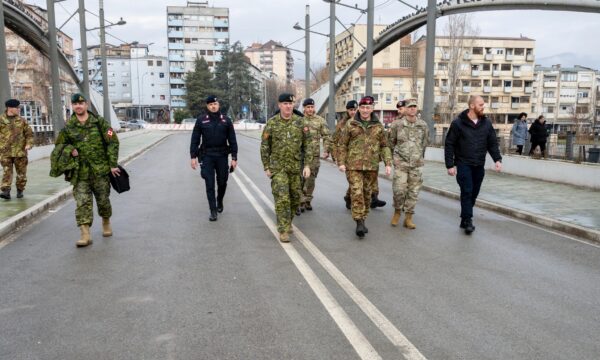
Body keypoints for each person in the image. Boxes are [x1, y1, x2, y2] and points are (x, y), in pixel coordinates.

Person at [54, 93, 120, 247]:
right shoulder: (68, 127)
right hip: (79, 173)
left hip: (100, 171)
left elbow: (113, 141)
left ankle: (106, 222)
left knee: (103, 200)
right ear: (72, 106)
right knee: (82, 203)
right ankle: (85, 234)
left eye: (81, 103)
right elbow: (59, 146)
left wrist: (112, 163)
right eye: (75, 104)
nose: (78, 106)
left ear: (87, 105)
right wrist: (70, 149)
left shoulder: (100, 123)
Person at [445, 95, 502, 235]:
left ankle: (464, 217)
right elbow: (449, 144)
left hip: (479, 165)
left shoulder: (486, 123)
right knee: (467, 191)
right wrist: (450, 165)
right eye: (481, 104)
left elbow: (492, 143)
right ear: (472, 106)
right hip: (463, 163)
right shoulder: (458, 123)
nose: (483, 107)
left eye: (483, 104)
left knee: (474, 193)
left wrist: (497, 159)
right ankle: (468, 220)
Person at [261, 93, 312, 243]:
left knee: (295, 198)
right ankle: (283, 229)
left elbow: (308, 146)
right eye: (285, 104)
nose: (288, 106)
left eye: (290, 104)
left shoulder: (301, 123)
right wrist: (266, 166)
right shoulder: (272, 123)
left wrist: (307, 165)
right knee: (282, 198)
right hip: (278, 169)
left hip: (295, 168)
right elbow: (265, 147)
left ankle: (288, 221)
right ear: (279, 105)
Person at [338, 96, 391, 238]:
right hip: (353, 166)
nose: (365, 110)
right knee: (356, 192)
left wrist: (388, 163)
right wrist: (341, 162)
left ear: (372, 108)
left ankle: (363, 217)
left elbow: (384, 146)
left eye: (368, 107)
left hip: (371, 167)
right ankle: (359, 222)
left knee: (367, 195)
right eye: (362, 107)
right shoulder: (351, 124)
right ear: (359, 109)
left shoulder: (378, 127)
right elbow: (342, 144)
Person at [190, 95, 238, 221]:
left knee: (222, 182)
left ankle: (220, 200)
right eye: (210, 104)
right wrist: (193, 156)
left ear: (218, 105)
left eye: (215, 104)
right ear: (207, 106)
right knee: (209, 183)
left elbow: (232, 140)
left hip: (222, 155)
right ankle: (213, 210)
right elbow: (195, 139)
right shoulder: (201, 120)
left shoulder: (226, 120)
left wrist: (234, 157)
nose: (213, 106)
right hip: (207, 156)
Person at [388, 99, 429, 229]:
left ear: (417, 109)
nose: (412, 109)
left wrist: (419, 157)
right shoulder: (397, 125)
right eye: (409, 107)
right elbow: (390, 143)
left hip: (416, 164)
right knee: (399, 190)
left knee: (413, 192)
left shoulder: (423, 125)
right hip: (401, 164)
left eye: (414, 107)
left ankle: (409, 217)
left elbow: (424, 143)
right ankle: (397, 212)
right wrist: (392, 160)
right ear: (405, 109)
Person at [300, 98, 332, 211]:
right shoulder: (299, 120)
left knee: (311, 179)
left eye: (312, 107)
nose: (310, 109)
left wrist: (326, 150)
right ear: (304, 108)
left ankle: (308, 200)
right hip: (301, 155)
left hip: (314, 156)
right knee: (302, 178)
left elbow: (327, 136)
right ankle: (301, 201)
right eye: (308, 107)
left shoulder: (320, 121)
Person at [0, 99, 33, 200]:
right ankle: (6, 191)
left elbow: (29, 135)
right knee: (7, 172)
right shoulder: (1, 120)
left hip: (20, 152)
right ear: (10, 108)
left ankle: (20, 190)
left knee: (21, 174)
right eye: (17, 108)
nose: (19, 109)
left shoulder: (22, 121)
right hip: (5, 152)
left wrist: (29, 144)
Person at [333, 100, 358, 209]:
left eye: (355, 110)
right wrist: (336, 156)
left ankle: (348, 197)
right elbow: (335, 141)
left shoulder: (361, 121)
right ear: (347, 110)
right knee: (353, 181)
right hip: (347, 157)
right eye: (351, 110)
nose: (353, 112)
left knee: (357, 181)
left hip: (359, 157)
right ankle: (354, 202)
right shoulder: (342, 124)